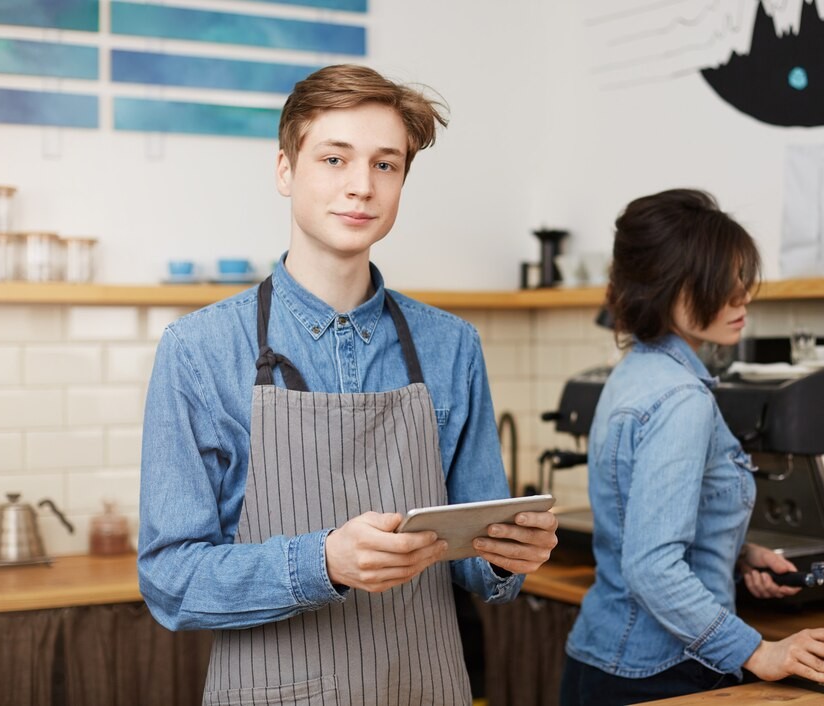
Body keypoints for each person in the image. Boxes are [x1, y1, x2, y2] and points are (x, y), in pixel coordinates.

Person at [138, 64, 558, 706]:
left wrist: (509, 554)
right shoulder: (199, 352)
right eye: (335, 159)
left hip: (426, 688)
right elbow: (170, 581)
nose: (361, 186)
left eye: (385, 165)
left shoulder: (452, 346)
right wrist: (323, 563)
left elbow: (475, 558)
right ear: (285, 170)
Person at [559, 189, 824, 705]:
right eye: (720, 281)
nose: (740, 297)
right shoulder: (680, 399)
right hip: (665, 673)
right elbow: (651, 567)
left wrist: (735, 555)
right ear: (665, 288)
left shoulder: (634, 374)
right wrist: (759, 652)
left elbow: (644, 526)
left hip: (605, 658)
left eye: (740, 278)